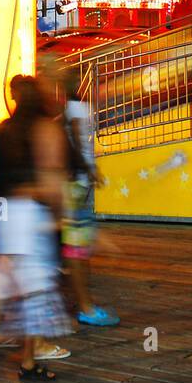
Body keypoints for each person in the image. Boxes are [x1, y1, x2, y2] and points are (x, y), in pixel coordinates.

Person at [0, 75, 73, 379]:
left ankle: (18, 348)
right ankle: (31, 354)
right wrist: (59, 217)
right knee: (37, 284)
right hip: (33, 213)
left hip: (6, 211)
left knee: (19, 281)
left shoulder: (3, 131)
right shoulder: (45, 129)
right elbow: (51, 181)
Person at [62, 71, 118, 327]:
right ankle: (84, 305)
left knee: (78, 240)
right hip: (79, 177)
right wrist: (88, 168)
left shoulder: (75, 107)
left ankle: (81, 296)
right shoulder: (75, 108)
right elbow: (76, 140)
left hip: (80, 176)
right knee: (77, 242)